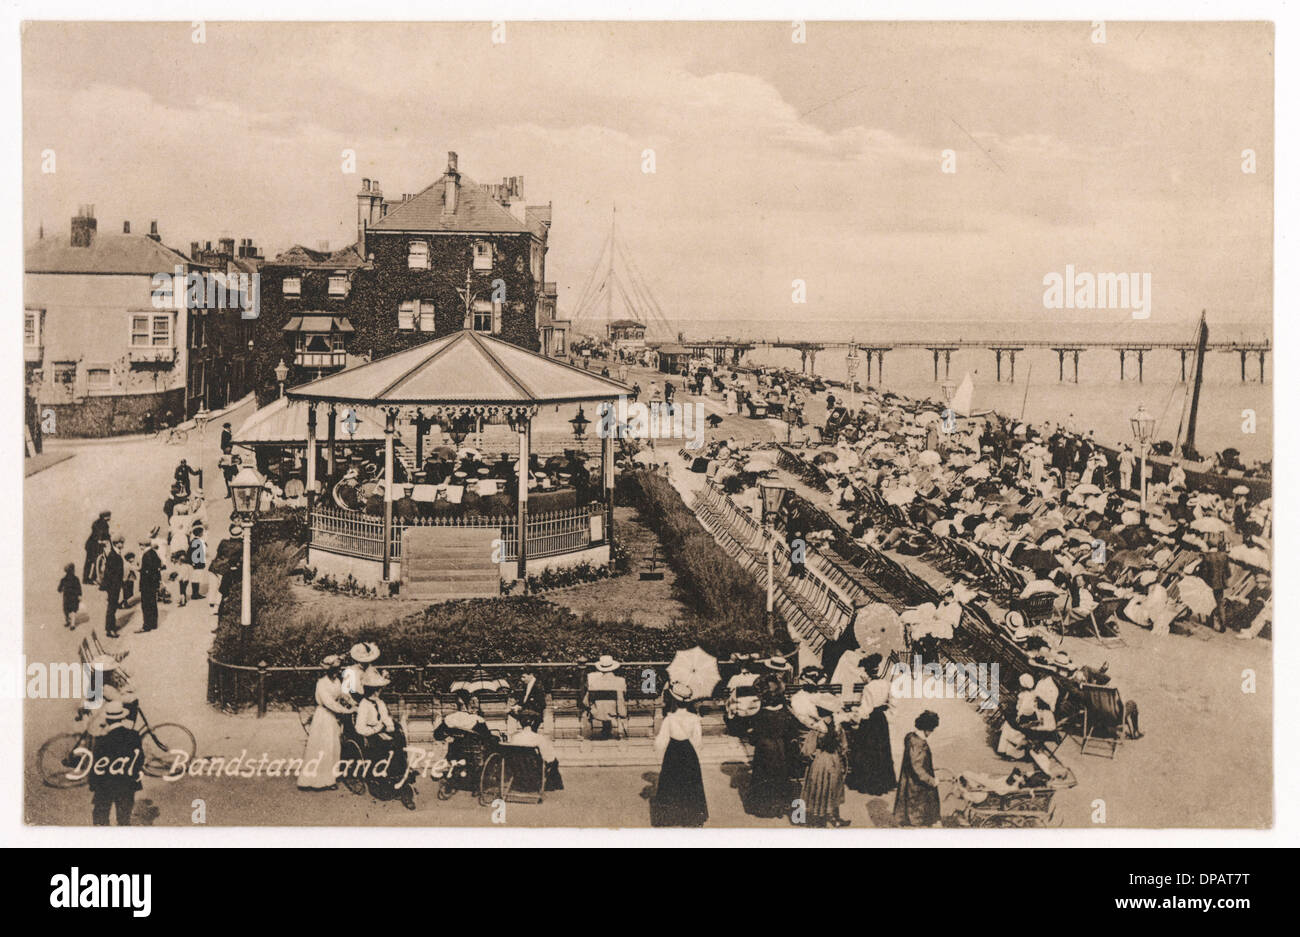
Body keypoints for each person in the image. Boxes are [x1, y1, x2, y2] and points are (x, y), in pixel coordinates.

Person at [353, 671, 415, 809]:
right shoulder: (364, 705)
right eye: (375, 690)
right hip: (372, 735)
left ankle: (402, 779)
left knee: (398, 741)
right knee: (385, 746)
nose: (377, 692)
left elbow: (385, 717)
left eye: (378, 689)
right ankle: (388, 782)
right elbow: (360, 728)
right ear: (370, 690)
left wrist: (389, 726)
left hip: (382, 730)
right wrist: (376, 730)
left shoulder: (379, 702)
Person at [651, 683, 707, 827]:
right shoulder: (694, 718)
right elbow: (698, 741)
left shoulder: (670, 718)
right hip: (688, 752)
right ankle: (691, 816)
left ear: (674, 700)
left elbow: (661, 740)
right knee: (690, 782)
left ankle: (670, 817)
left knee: (671, 781)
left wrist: (657, 750)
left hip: (673, 751)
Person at [298, 655, 356, 791]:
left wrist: (353, 702)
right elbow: (329, 702)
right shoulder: (321, 683)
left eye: (338, 669)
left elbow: (343, 694)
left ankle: (330, 777)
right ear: (328, 670)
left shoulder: (336, 681)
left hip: (332, 718)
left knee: (333, 746)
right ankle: (316, 781)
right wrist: (345, 711)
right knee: (323, 746)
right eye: (334, 670)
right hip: (323, 717)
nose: (337, 672)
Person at [846, 654, 896, 796]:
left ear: (867, 673)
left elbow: (865, 709)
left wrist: (855, 715)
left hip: (870, 721)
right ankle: (883, 782)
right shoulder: (887, 684)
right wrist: (888, 716)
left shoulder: (868, 688)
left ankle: (868, 783)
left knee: (867, 750)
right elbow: (893, 703)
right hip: (881, 720)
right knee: (882, 749)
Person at [88, 698, 143, 826]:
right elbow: (139, 760)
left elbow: (96, 766)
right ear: (122, 718)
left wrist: (93, 785)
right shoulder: (134, 736)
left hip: (105, 785)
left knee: (101, 819)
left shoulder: (102, 740)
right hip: (126, 784)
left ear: (107, 719)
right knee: (124, 820)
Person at [893, 710, 942, 827]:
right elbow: (917, 767)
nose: (931, 733)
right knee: (917, 814)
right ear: (927, 729)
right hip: (916, 786)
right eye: (932, 730)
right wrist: (932, 780)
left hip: (908, 782)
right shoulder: (919, 744)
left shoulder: (910, 737)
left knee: (910, 813)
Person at [800, 717, 849, 827]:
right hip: (827, 760)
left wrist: (811, 754)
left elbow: (807, 750)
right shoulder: (822, 727)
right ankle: (821, 818)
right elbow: (843, 746)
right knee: (827, 786)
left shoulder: (830, 727)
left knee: (829, 786)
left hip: (825, 760)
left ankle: (830, 817)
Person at [507, 710, 564, 791]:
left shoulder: (515, 737)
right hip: (533, 767)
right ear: (533, 722)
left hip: (519, 767)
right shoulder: (538, 737)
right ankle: (551, 785)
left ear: (520, 723)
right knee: (554, 760)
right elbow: (547, 757)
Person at [583, 655, 628, 740]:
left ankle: (605, 730)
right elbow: (624, 696)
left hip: (598, 712)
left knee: (602, 704)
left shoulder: (594, 682)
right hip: (615, 711)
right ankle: (610, 730)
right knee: (613, 702)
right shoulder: (620, 681)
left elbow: (586, 701)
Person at [1198, 532, 1232, 633]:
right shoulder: (1224, 556)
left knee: (1209, 602)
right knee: (1220, 603)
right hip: (1220, 583)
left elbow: (1203, 572)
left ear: (1208, 546)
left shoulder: (1207, 556)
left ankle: (1209, 621)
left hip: (1209, 583)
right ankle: (1223, 623)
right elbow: (1228, 572)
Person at [100, 536, 125, 638]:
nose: (123, 545)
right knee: (111, 607)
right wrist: (111, 587)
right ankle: (110, 629)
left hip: (115, 585)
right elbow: (109, 573)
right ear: (116, 543)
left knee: (113, 607)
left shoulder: (115, 554)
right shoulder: (113, 555)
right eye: (121, 543)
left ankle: (112, 626)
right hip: (113, 586)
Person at [138, 540, 162, 633]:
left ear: (143, 545)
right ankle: (153, 624)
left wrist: (140, 570)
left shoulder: (146, 555)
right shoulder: (153, 553)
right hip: (153, 584)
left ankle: (146, 626)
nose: (140, 547)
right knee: (153, 603)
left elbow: (147, 570)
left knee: (146, 605)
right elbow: (158, 565)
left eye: (140, 545)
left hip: (146, 584)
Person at [83, 511, 111, 584]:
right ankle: (86, 579)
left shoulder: (104, 524)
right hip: (92, 545)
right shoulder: (98, 523)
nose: (110, 518)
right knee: (90, 562)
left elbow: (107, 535)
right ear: (105, 517)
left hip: (98, 546)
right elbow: (97, 533)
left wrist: (108, 540)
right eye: (108, 516)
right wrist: (100, 540)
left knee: (97, 562)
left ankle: (93, 578)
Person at [58, 562, 82, 629]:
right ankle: (72, 624)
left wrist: (60, 590)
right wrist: (80, 595)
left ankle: (68, 621)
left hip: (66, 597)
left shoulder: (63, 579)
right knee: (73, 611)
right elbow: (79, 588)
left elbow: (59, 589)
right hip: (74, 597)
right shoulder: (76, 579)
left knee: (66, 610)